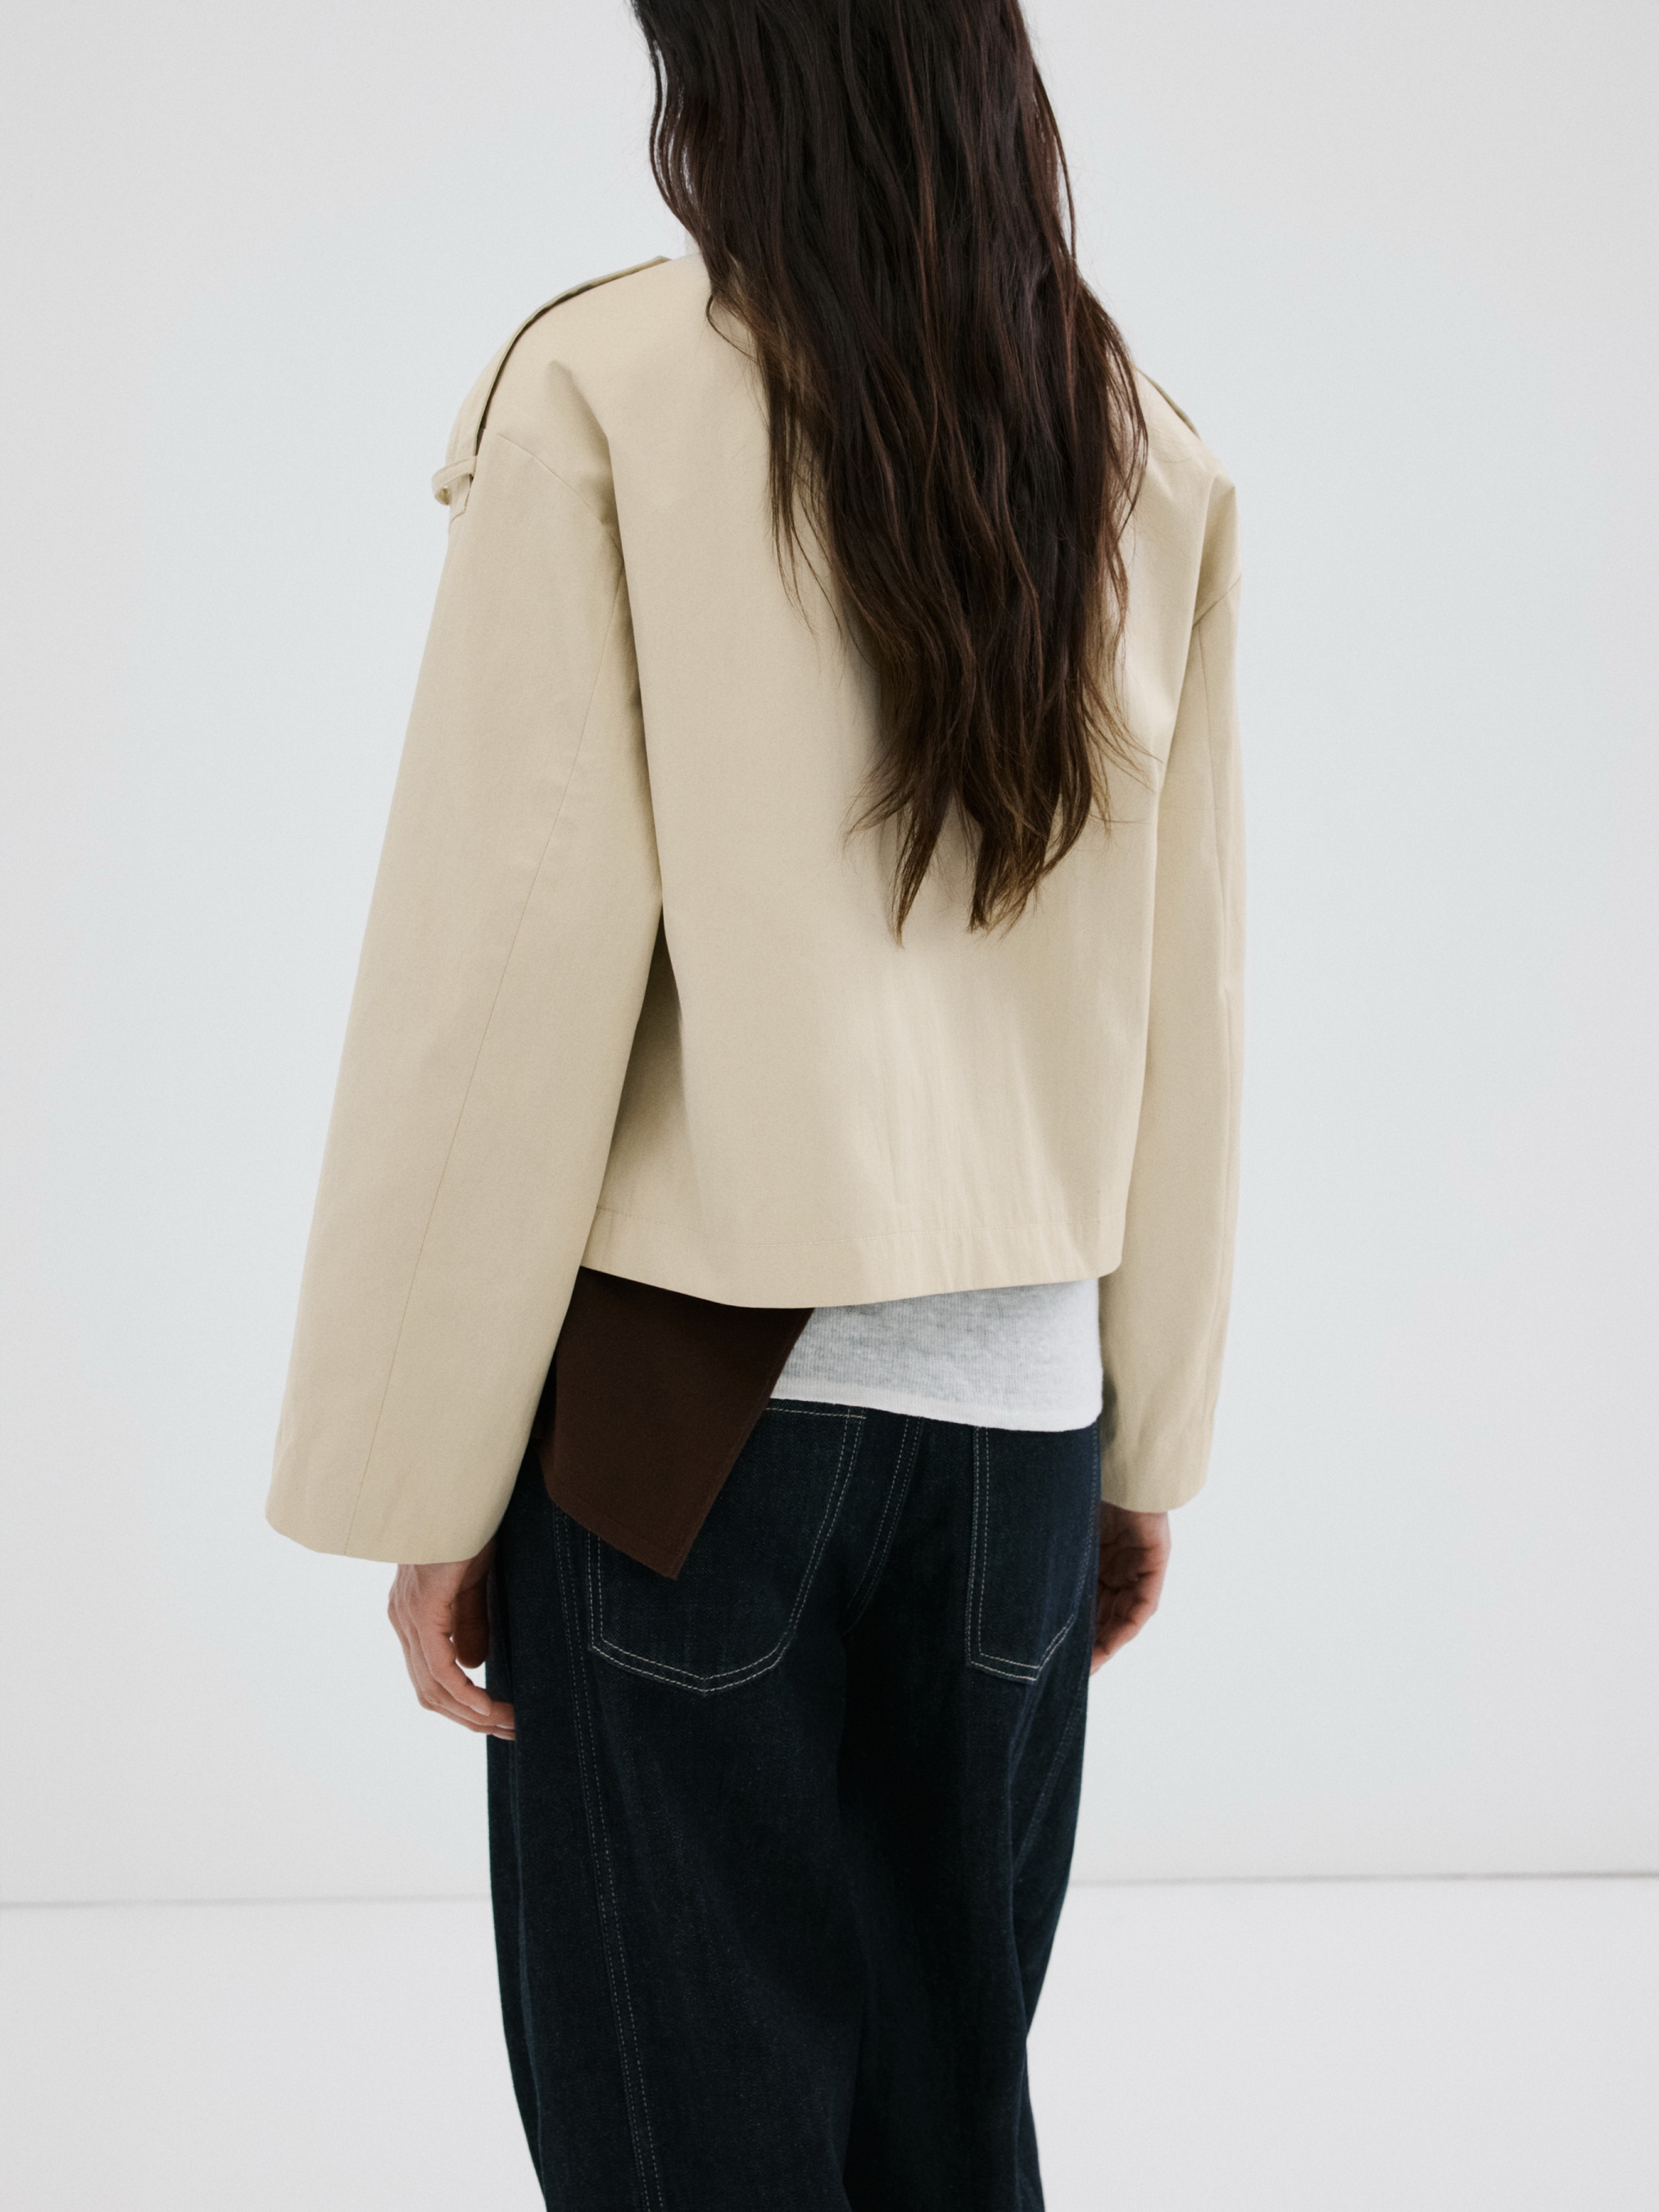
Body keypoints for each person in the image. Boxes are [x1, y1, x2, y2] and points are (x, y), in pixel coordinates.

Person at [266, 0, 1244, 2203]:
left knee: (679, 2147)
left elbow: (500, 970)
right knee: (946, 2130)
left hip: (684, 1413)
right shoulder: (1138, 437)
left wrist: (429, 1469)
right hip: (1020, 1417)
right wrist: (1141, 1433)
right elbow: (1190, 992)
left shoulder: (609, 386)